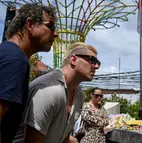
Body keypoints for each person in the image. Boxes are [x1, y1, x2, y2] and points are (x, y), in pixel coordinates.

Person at [0, 3, 58, 142]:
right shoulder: (16, 60)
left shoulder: (7, 52)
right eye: (51, 26)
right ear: (30, 24)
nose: (55, 34)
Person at [23, 42, 100, 143]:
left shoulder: (79, 95)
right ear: (73, 60)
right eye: (92, 60)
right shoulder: (49, 89)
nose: (96, 66)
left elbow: (64, 135)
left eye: (98, 62)